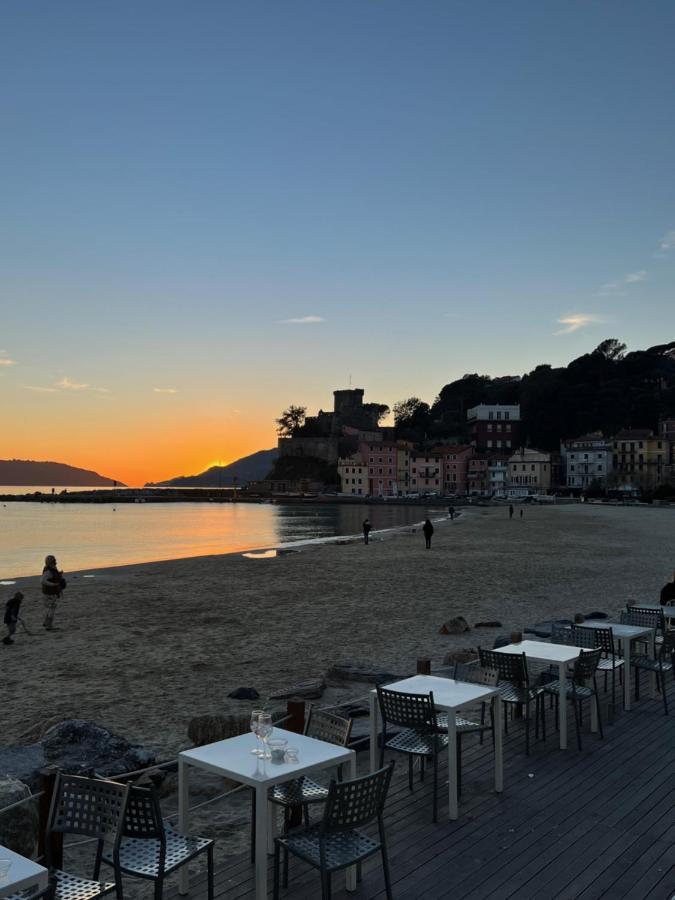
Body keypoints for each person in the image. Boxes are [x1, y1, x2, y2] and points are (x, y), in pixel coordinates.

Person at [41, 554, 66, 630]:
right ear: (50, 562)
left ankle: (46, 622)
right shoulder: (48, 571)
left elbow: (53, 577)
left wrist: (59, 575)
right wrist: (53, 584)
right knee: (52, 608)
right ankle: (49, 625)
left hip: (51, 592)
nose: (56, 562)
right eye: (54, 560)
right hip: (49, 593)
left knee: (51, 607)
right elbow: (42, 581)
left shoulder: (52, 569)